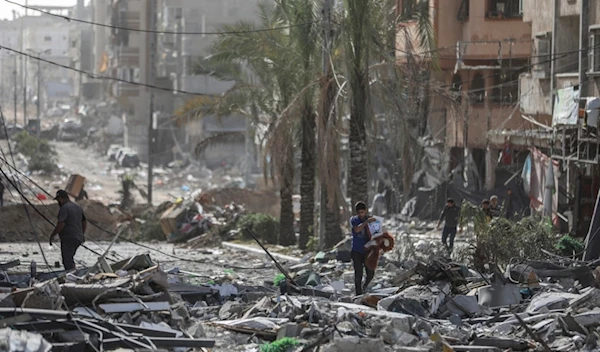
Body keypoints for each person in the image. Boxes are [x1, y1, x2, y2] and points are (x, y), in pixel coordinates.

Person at [49, 190, 87, 270]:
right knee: (70, 258)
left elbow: (61, 224)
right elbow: (84, 222)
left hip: (68, 238)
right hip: (78, 238)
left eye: (58, 200)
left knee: (67, 260)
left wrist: (52, 235)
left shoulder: (64, 208)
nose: (58, 202)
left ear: (62, 198)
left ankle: (70, 275)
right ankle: (73, 272)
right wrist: (82, 234)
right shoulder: (78, 207)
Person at [350, 201, 376, 295]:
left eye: (362, 212)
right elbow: (357, 229)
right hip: (356, 251)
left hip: (368, 251)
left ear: (366, 211)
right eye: (359, 213)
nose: (361, 214)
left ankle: (364, 287)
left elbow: (377, 234)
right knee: (358, 273)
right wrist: (366, 222)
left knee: (370, 272)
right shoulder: (354, 220)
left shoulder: (371, 219)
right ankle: (358, 293)